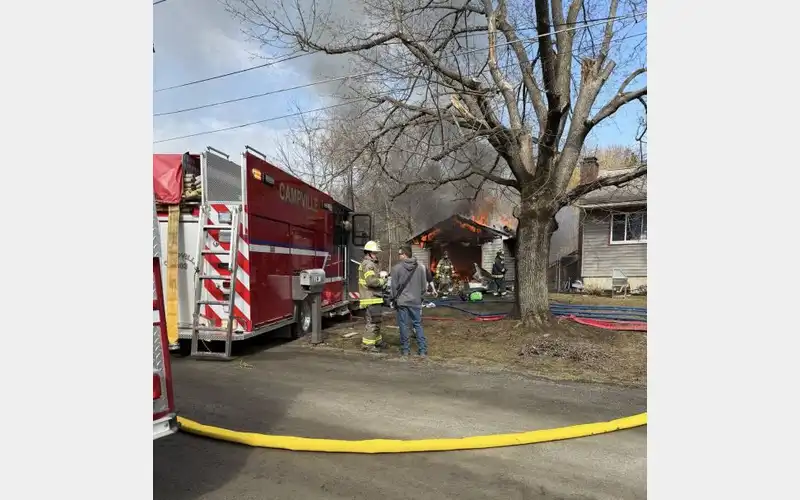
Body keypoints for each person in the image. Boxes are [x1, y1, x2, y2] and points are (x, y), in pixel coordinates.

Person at [390, 245, 429, 358]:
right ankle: (422, 350)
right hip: (416, 302)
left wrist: (393, 299)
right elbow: (423, 287)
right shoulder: (421, 267)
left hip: (402, 302)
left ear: (405, 254)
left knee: (403, 325)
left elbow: (394, 287)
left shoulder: (396, 268)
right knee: (417, 324)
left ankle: (406, 350)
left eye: (400, 254)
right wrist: (420, 297)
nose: (399, 256)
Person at [358, 241, 388, 352]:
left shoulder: (371, 264)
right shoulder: (368, 264)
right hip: (370, 297)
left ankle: (377, 341)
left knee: (377, 321)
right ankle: (368, 345)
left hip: (374, 297)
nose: (376, 255)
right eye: (375, 253)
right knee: (372, 322)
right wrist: (382, 281)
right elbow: (371, 281)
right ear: (369, 253)